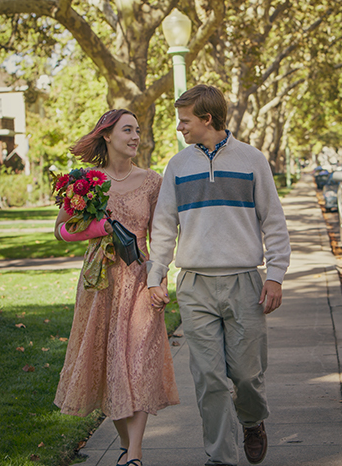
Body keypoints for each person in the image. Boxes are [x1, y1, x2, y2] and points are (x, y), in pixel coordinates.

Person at [147, 85, 291, 466]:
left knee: (246, 374)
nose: (180, 127)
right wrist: (155, 275)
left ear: (207, 119)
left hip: (245, 281)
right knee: (209, 378)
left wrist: (275, 274)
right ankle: (220, 457)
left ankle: (253, 421)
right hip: (194, 284)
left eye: (185, 120)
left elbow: (273, 221)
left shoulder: (252, 160)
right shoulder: (177, 166)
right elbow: (163, 227)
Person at [54, 109, 179, 466]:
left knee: (137, 363)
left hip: (140, 279)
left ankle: (135, 454)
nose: (135, 136)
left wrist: (160, 281)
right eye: (128, 130)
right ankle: (127, 448)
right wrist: (97, 230)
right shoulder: (86, 182)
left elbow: (162, 238)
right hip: (100, 283)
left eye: (138, 130)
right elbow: (60, 231)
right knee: (111, 367)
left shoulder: (153, 181)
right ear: (107, 135)